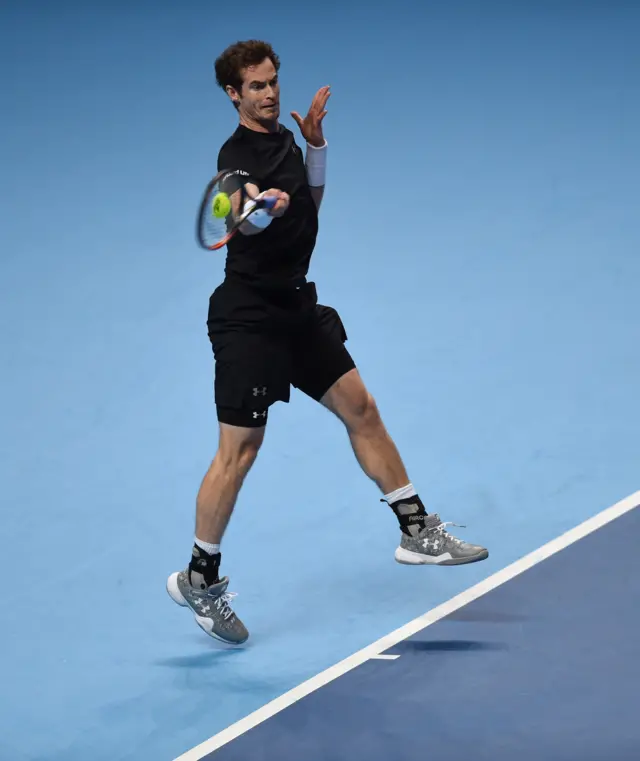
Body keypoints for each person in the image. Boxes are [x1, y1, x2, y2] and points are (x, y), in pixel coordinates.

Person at [167, 40, 488, 645]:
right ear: (233, 94)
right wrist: (261, 209)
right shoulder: (234, 157)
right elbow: (237, 218)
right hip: (249, 320)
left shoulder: (287, 140)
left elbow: (310, 208)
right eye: (256, 86)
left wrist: (315, 147)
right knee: (240, 452)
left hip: (297, 307)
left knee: (361, 409)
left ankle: (415, 530)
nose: (270, 93)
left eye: (273, 81)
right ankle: (200, 579)